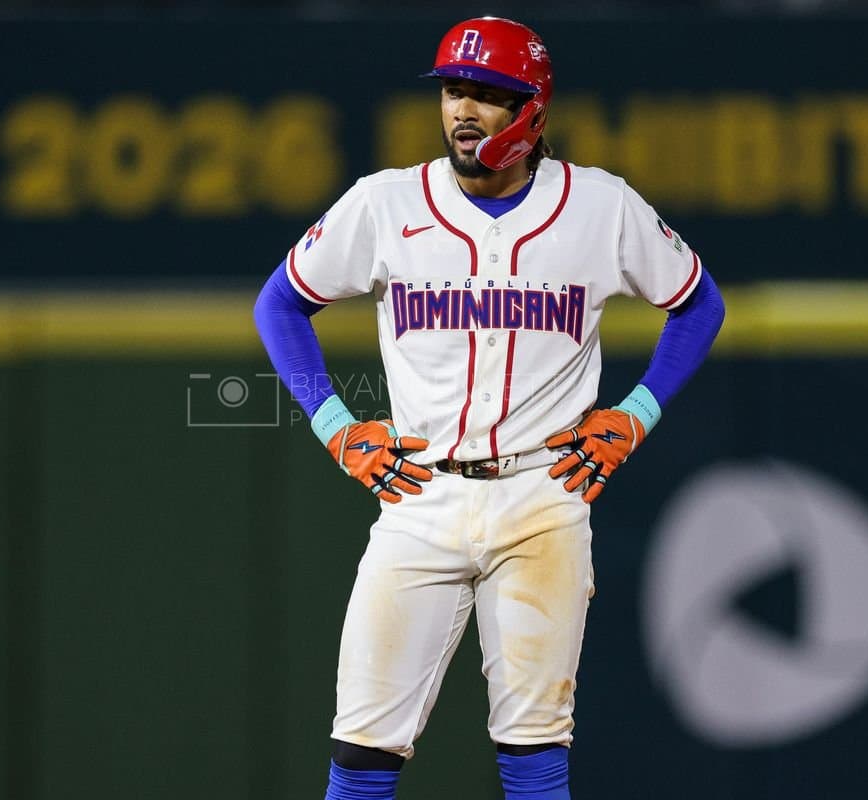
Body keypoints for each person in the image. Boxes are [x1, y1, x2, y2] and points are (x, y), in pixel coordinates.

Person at [254, 16, 725, 800]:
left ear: (532, 110)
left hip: (545, 493)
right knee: (362, 750)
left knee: (534, 753)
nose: (462, 110)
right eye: (452, 90)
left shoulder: (600, 207)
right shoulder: (386, 203)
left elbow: (698, 304)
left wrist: (638, 411)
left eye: (488, 95)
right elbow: (280, 304)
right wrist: (335, 425)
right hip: (420, 493)